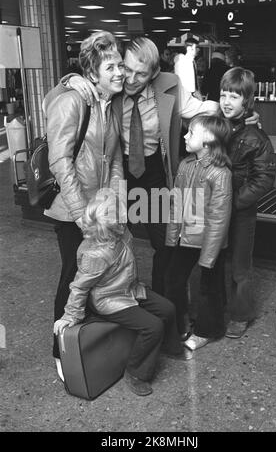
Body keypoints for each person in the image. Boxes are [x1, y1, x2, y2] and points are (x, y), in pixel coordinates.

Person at [46, 36, 220, 297]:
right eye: (126, 69)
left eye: (141, 74)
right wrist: (70, 79)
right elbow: (53, 102)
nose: (130, 78)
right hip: (115, 174)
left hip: (150, 175)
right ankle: (117, 307)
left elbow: (200, 109)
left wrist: (238, 113)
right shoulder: (109, 89)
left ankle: (165, 308)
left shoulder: (169, 87)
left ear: (153, 73)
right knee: (107, 249)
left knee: (166, 243)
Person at [43, 31, 124, 379]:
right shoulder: (73, 100)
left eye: (120, 64)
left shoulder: (109, 103)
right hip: (73, 212)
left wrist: (115, 202)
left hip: (100, 210)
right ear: (93, 72)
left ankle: (88, 344)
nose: (120, 71)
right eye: (111, 66)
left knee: (98, 275)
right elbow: (60, 161)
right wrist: (81, 214)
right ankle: (62, 351)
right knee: (74, 278)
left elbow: (115, 157)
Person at [54, 193, 191, 397]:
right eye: (120, 213)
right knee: (153, 327)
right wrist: (69, 316)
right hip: (111, 300)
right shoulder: (95, 254)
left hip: (128, 289)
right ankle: (136, 373)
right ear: (111, 223)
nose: (125, 214)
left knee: (167, 308)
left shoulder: (121, 232)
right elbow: (79, 287)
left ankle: (170, 347)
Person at [164, 115, 233, 349]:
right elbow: (176, 204)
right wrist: (172, 236)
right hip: (186, 237)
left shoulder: (220, 173)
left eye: (191, 133)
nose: (185, 135)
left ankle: (208, 330)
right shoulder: (185, 165)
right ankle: (180, 324)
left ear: (209, 140)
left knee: (208, 288)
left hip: (209, 242)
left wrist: (209, 255)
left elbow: (219, 218)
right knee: (173, 280)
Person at [219, 67, 276, 338]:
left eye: (234, 96)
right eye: (223, 95)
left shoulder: (257, 137)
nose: (227, 101)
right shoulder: (215, 126)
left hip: (241, 210)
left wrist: (235, 202)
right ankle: (212, 307)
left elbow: (263, 178)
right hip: (215, 208)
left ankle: (241, 315)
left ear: (247, 101)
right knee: (213, 258)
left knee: (240, 265)